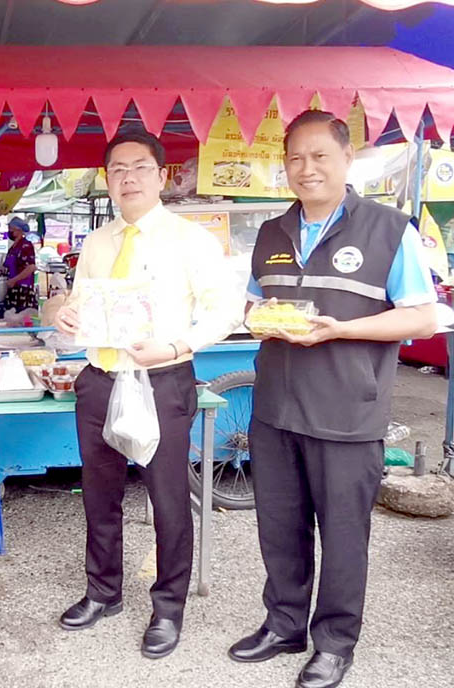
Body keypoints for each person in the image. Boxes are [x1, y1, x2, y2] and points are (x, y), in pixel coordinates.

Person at [229, 110, 436, 688]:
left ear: (348, 159)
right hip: (275, 407)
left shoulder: (389, 229)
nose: (307, 168)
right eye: (295, 157)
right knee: (279, 525)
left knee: (344, 534)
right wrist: (259, 318)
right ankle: (284, 624)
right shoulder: (272, 232)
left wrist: (340, 329)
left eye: (320, 155)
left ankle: (335, 642)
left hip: (349, 410)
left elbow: (421, 316)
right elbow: (252, 305)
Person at [53, 131, 241, 657]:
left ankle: (167, 609)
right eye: (116, 169)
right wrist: (68, 314)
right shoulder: (97, 242)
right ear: (107, 179)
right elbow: (81, 304)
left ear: (162, 176)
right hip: (99, 381)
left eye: (139, 167)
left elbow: (225, 310)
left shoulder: (191, 239)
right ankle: (103, 592)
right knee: (99, 494)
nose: (127, 177)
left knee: (167, 500)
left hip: (163, 381)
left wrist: (177, 344)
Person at [3, 216, 38, 311]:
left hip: (23, 291)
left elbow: (31, 267)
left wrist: (14, 280)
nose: (9, 231)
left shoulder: (26, 245)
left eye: (11, 229)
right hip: (13, 291)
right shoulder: (13, 247)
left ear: (18, 230)